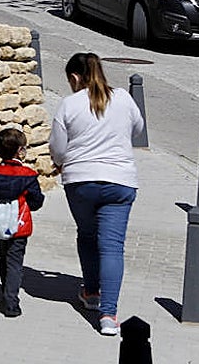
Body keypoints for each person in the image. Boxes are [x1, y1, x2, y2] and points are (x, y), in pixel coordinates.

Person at [49, 52, 145, 337]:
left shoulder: (68, 104)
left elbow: (58, 149)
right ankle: (108, 315)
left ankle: (90, 293)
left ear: (75, 78)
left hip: (81, 182)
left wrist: (61, 162)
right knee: (112, 246)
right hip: (120, 182)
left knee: (88, 236)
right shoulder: (125, 98)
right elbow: (138, 131)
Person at [0, 126, 45, 318]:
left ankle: (4, 291)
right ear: (19, 151)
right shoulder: (28, 175)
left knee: (3, 256)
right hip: (19, 225)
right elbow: (36, 200)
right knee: (15, 262)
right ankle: (11, 303)